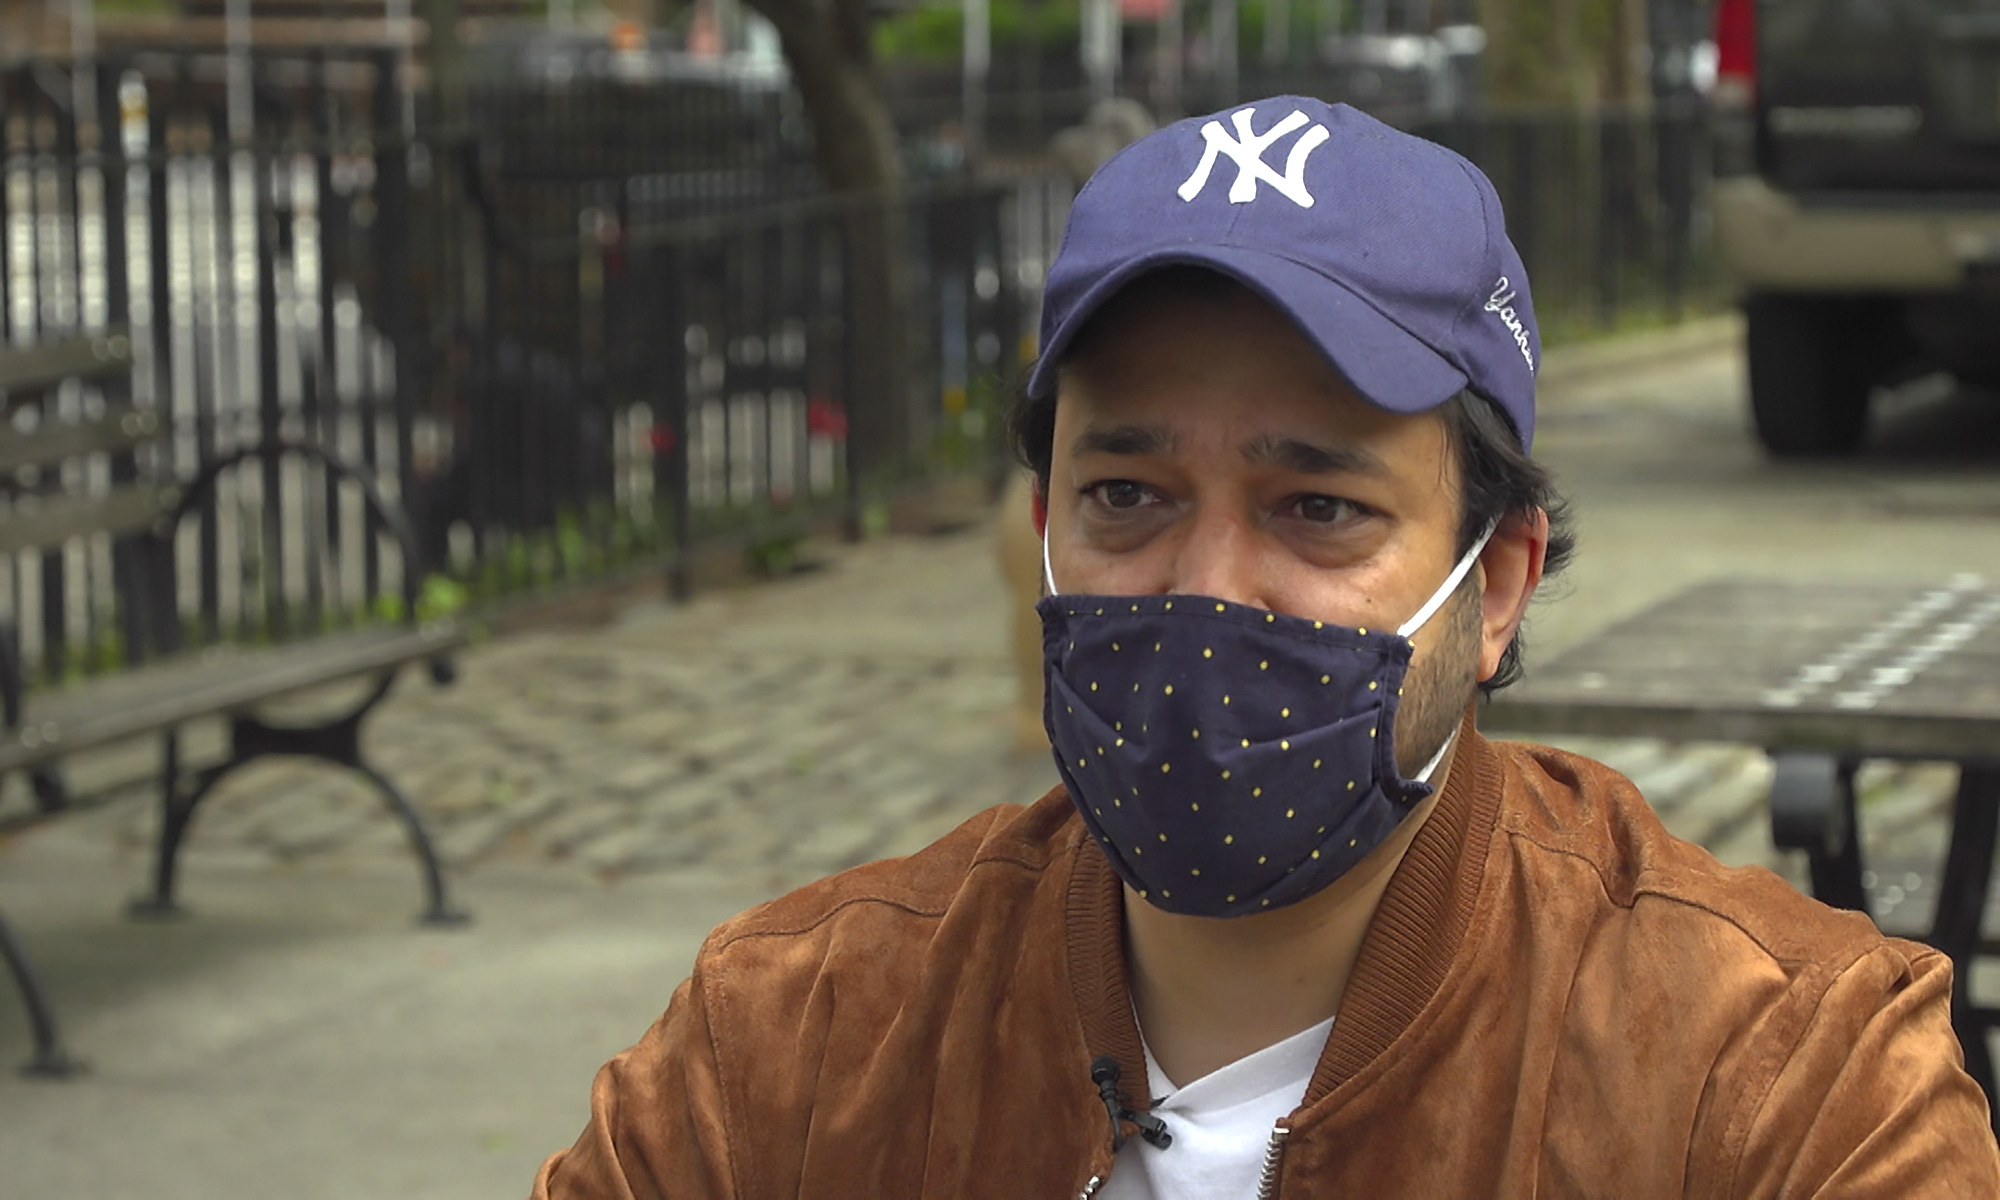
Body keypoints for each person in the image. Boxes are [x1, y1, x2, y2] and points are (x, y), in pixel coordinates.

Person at [531, 97, 1999, 1199]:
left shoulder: (1778, 1083)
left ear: (1494, 588)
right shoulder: (790, 1052)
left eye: (1318, 508)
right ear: (1041, 527)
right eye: (1127, 496)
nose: (1207, 589)